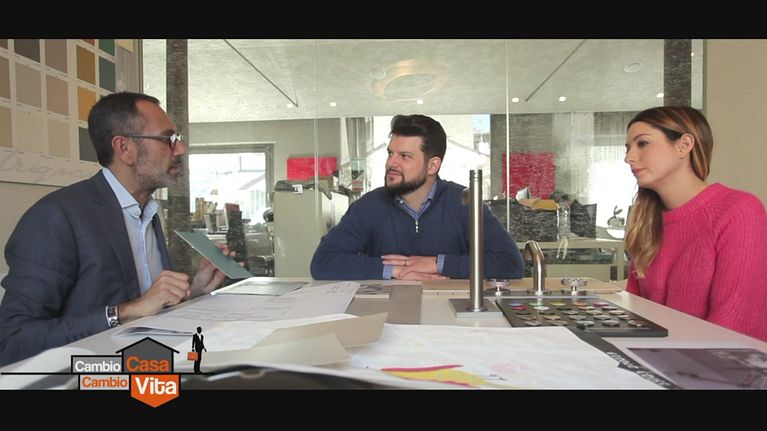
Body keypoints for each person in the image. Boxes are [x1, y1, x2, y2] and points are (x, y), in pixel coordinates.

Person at [0, 92, 233, 366]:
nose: (180, 149)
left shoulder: (148, 212)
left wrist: (195, 292)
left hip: (149, 366)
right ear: (125, 149)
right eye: (168, 138)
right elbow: (12, 340)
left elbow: (149, 307)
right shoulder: (56, 217)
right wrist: (124, 311)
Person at [311, 114, 523, 281]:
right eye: (390, 153)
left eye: (404, 156)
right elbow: (323, 262)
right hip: (388, 311)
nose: (391, 163)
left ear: (432, 165)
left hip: (451, 310)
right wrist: (393, 270)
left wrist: (437, 264)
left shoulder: (463, 202)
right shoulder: (369, 205)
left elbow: (511, 263)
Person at [624, 106, 767, 341]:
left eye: (643, 143)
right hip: (656, 358)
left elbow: (734, 326)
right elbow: (635, 316)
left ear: (684, 145)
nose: (629, 157)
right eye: (628, 148)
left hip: (715, 362)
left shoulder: (740, 211)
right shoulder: (647, 222)